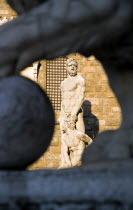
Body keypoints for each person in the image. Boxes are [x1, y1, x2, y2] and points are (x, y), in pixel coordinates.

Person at [59, 58, 92, 168]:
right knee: (64, 137)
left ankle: (80, 162)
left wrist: (74, 113)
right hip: (64, 113)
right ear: (66, 67)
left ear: (77, 67)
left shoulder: (80, 80)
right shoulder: (63, 83)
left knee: (79, 137)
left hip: (76, 113)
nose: (72, 67)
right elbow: (63, 99)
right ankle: (64, 162)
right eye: (70, 65)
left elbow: (80, 98)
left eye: (74, 65)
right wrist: (61, 115)